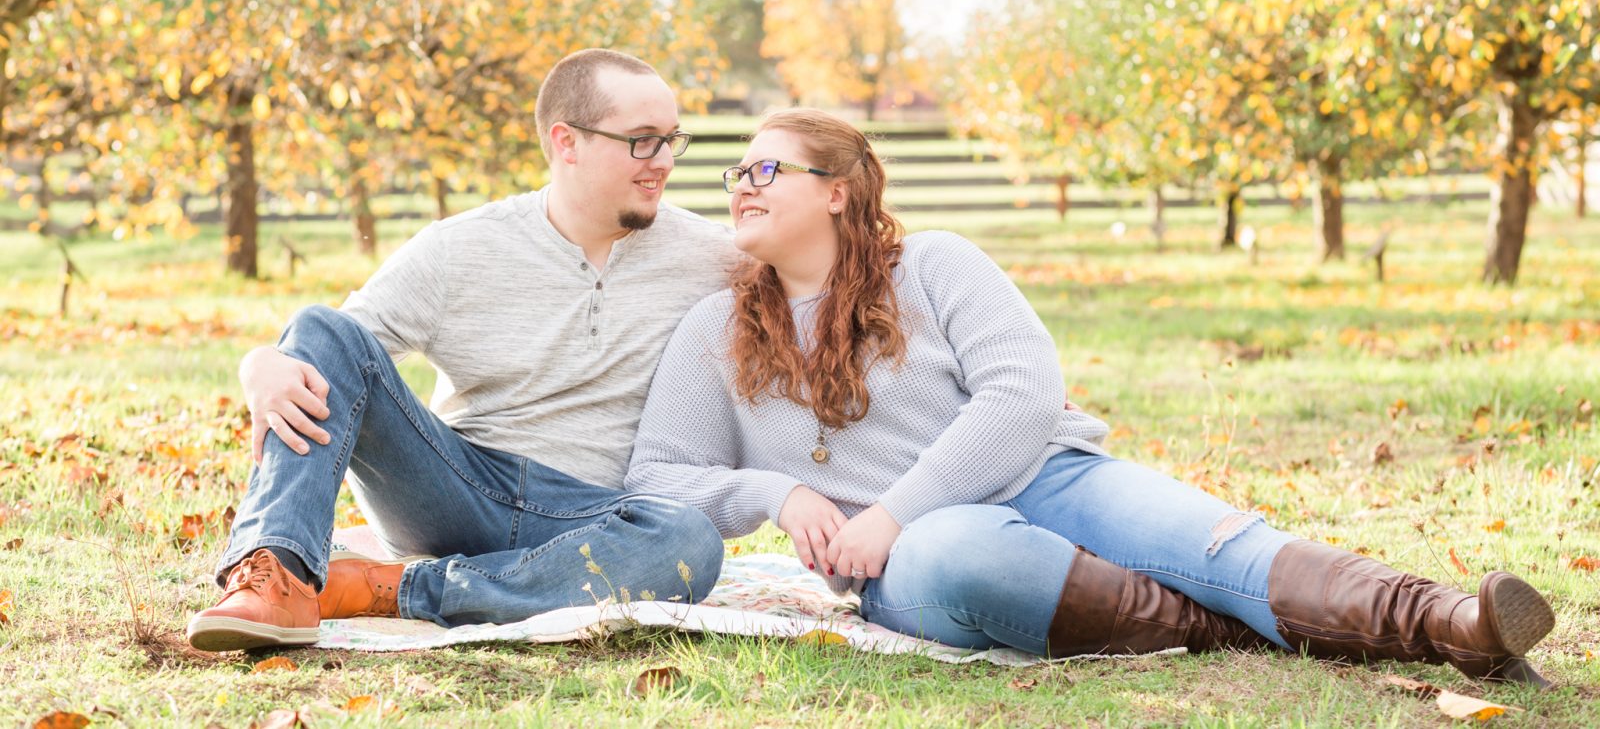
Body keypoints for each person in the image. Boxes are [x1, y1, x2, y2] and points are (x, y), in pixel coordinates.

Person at [625, 108, 1556, 686]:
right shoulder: (716, 330)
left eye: (765, 169)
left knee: (1214, 541)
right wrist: (783, 498)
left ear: (839, 192)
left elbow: (1023, 398)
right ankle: (1215, 628)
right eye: (734, 173)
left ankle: (1452, 624)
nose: (740, 188)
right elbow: (660, 472)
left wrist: (897, 502)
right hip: (908, 558)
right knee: (961, 558)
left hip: (1045, 478)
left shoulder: (937, 265)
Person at [187, 49, 738, 651]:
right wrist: (257, 363)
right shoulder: (460, 247)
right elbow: (332, 353)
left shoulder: (715, 255)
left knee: (689, 540)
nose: (662, 162)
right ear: (567, 142)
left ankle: (395, 589)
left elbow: (828, 295)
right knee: (319, 325)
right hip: (455, 488)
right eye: (641, 141)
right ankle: (277, 576)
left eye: (670, 141)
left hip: (595, 516)